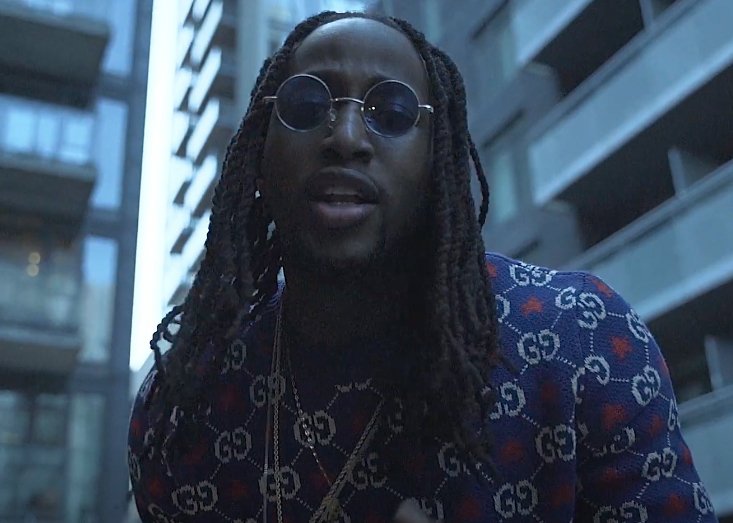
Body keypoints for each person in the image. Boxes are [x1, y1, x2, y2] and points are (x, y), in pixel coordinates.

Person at [128, 10, 719, 523]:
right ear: (258, 152)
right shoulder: (182, 409)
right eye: (308, 105)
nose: (346, 137)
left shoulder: (581, 340)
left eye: (392, 111)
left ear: (438, 162)